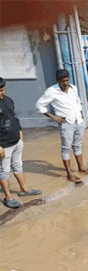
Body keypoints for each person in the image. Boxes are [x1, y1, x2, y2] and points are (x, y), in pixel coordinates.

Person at [35, 70, 88, 183]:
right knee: (66, 148)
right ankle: (69, 174)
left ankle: (81, 168)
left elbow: (77, 101)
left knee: (77, 145)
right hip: (66, 123)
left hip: (78, 120)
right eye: (63, 81)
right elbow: (39, 104)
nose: (65, 83)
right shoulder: (51, 91)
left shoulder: (73, 88)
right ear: (57, 81)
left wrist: (80, 114)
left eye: (67, 80)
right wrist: (53, 117)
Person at [0, 78, 42, 208]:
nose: (1, 93)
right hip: (3, 144)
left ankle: (24, 190)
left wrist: (20, 131)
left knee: (18, 165)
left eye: (2, 90)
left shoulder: (8, 100)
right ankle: (8, 197)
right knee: (4, 170)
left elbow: (14, 117)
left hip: (16, 140)